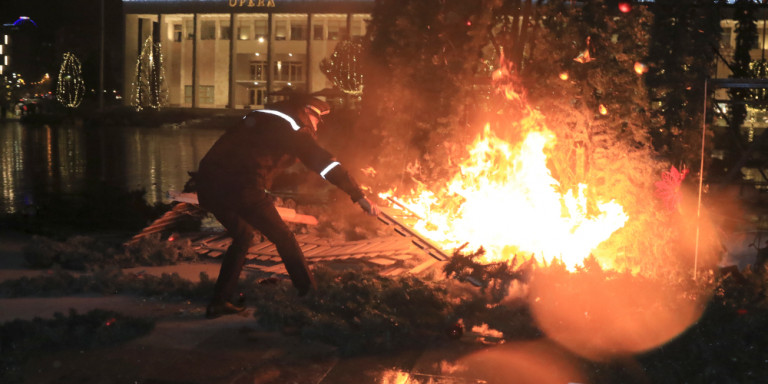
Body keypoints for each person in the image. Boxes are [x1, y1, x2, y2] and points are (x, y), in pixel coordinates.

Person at [194, 94, 379, 319]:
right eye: (319, 118)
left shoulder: (261, 116)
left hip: (208, 184)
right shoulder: (293, 127)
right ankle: (310, 295)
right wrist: (358, 195)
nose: (318, 124)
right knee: (283, 237)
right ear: (308, 111)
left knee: (243, 235)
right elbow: (324, 163)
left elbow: (257, 159)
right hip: (240, 186)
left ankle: (219, 302)